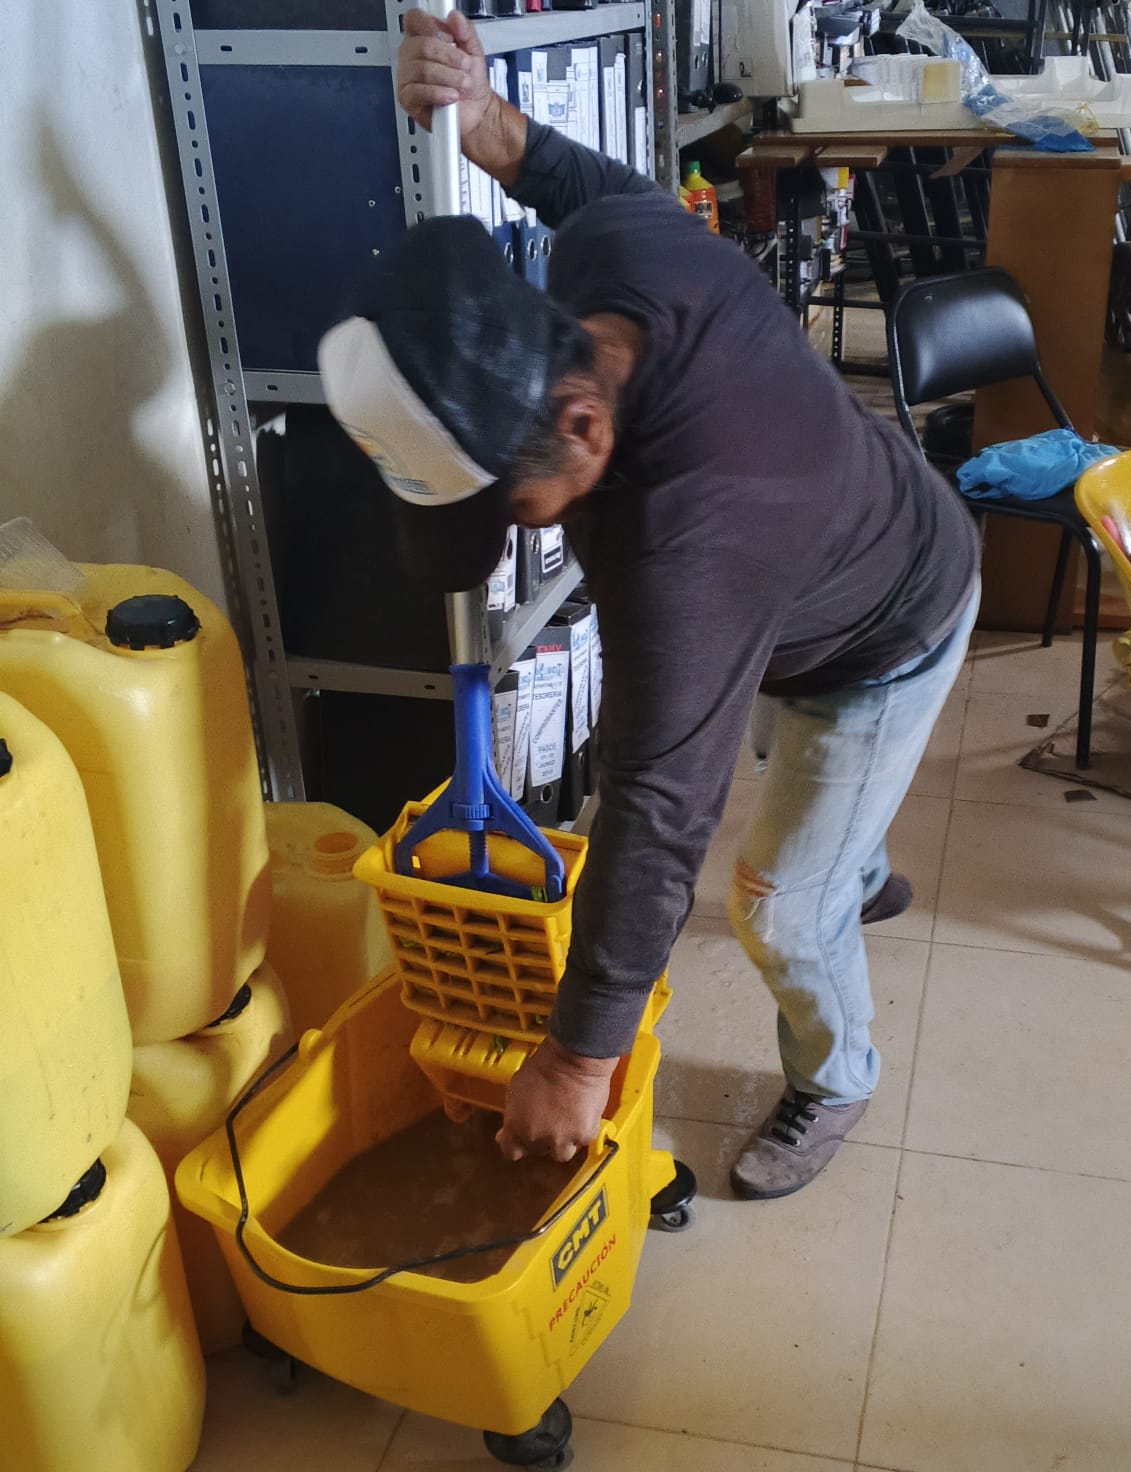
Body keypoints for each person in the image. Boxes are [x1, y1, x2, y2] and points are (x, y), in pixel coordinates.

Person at [318, 7, 981, 1201]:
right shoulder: (610, 271)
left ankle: (838, 1072)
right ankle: (857, 859)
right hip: (822, 555)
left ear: (582, 423)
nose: (523, 530)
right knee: (809, 797)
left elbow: (660, 804)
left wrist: (577, 1060)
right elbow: (598, 189)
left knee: (777, 902)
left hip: (888, 626)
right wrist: (487, 121)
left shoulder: (692, 539)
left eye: (514, 505)